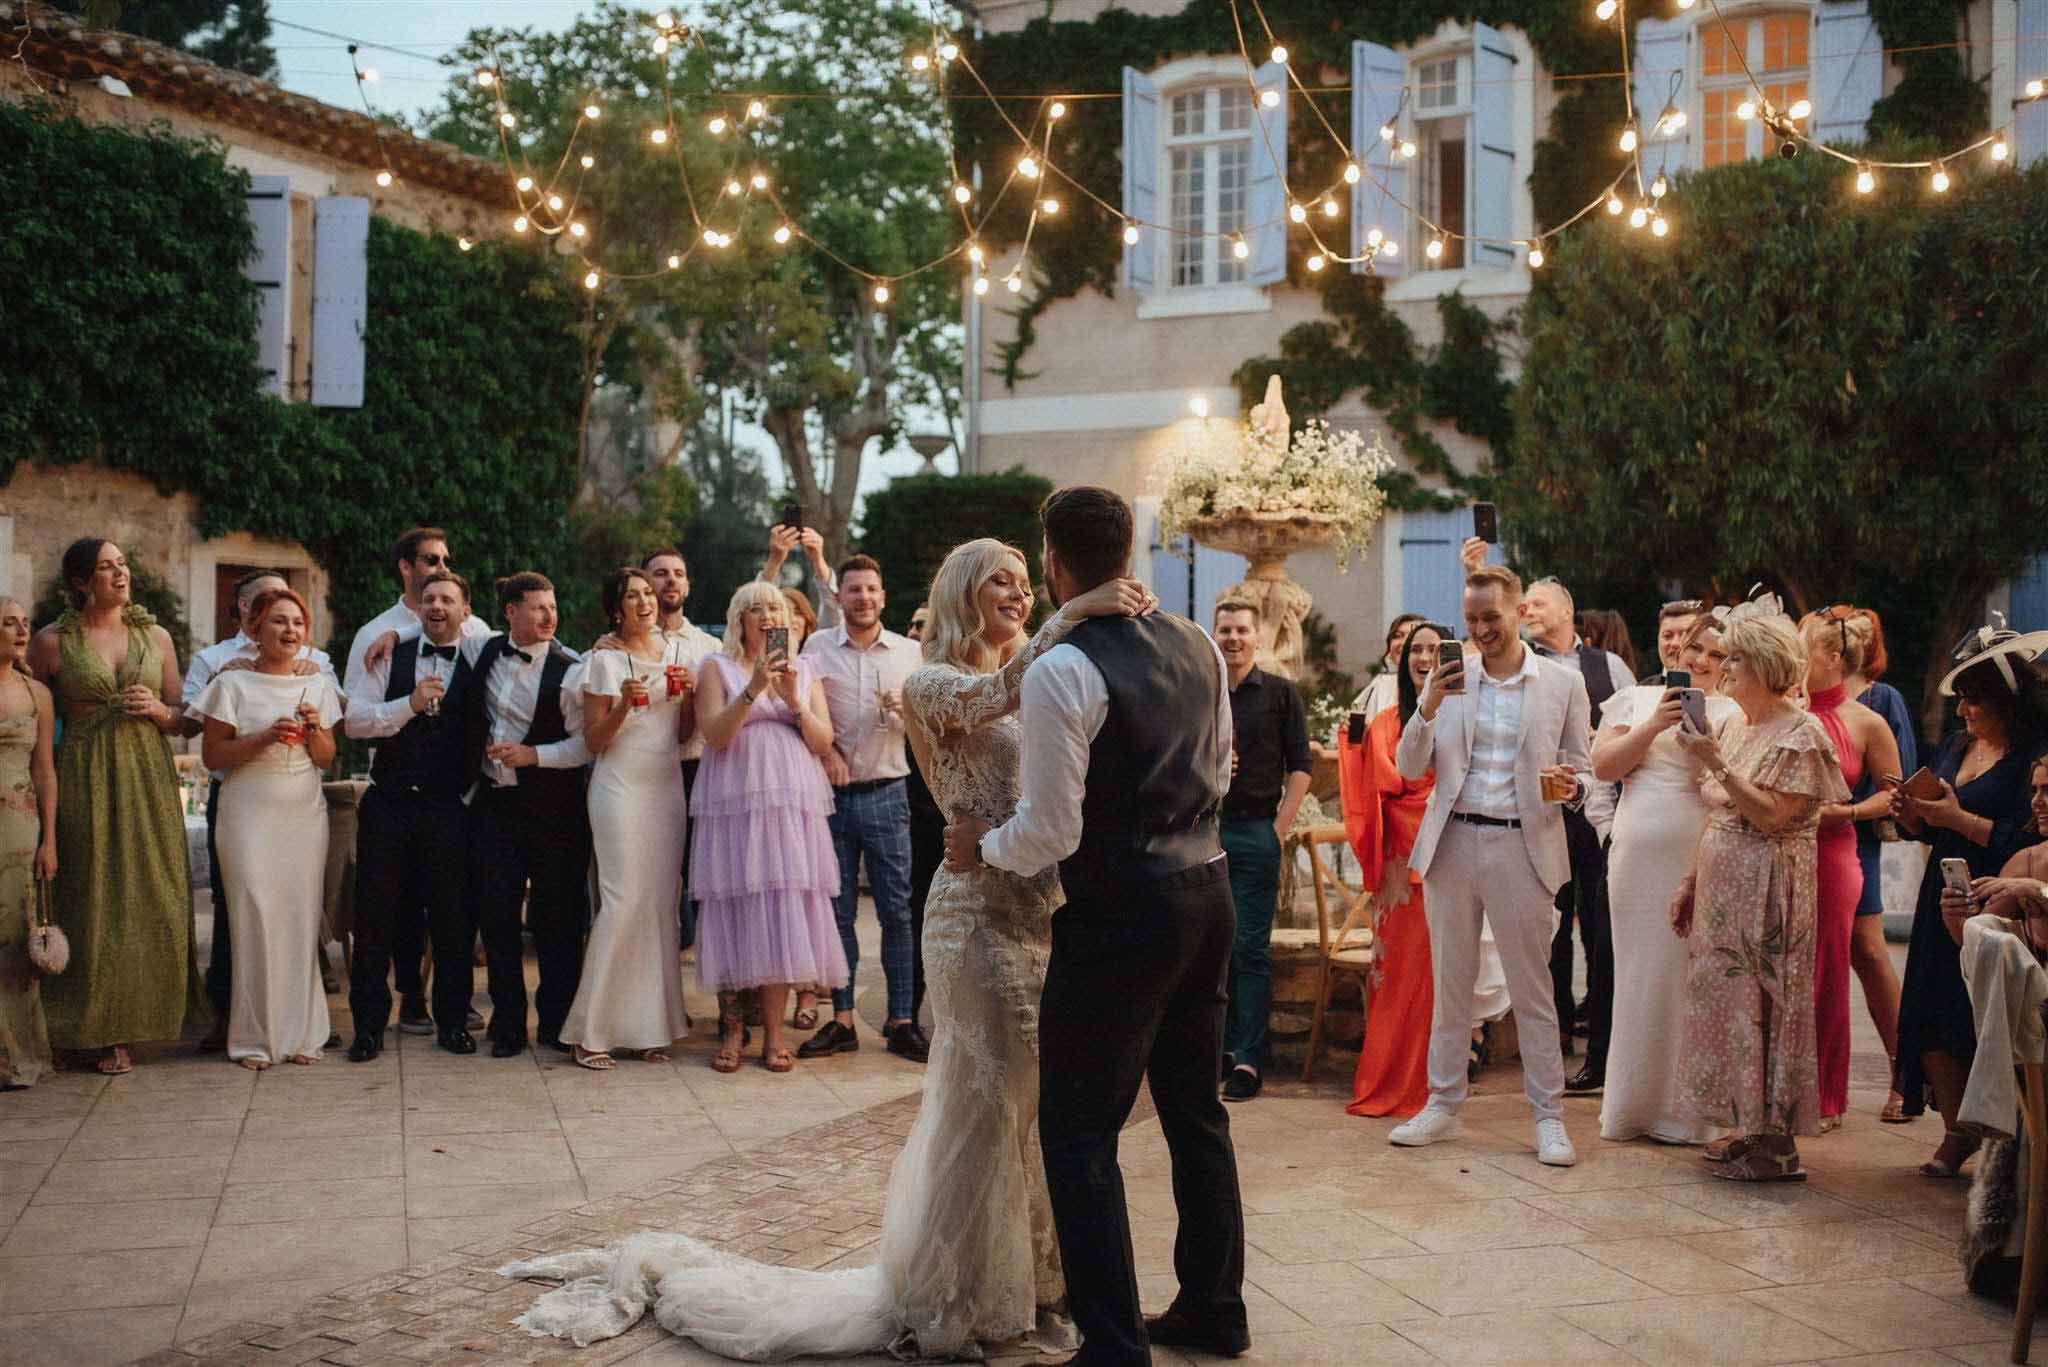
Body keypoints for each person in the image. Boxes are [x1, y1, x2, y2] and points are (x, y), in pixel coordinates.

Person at [498, 543, 1151, 1359]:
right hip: (975, 916)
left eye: (1028, 581)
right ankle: (959, 1288)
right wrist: (1081, 608)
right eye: (1001, 581)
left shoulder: (1043, 669)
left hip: (1040, 908)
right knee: (983, 1103)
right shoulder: (931, 679)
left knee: (1036, 1105)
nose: (1019, 593)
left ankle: (1039, 1279)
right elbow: (996, 692)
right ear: (959, 591)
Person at [946, 486, 1249, 1366]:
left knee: (1078, 1131)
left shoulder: (1062, 668)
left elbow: (1050, 833)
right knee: (1197, 1111)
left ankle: (1114, 1344)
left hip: (1123, 909)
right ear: (1130, 551)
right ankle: (1214, 1309)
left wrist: (980, 842)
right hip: (1209, 890)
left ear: (1052, 563)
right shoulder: (1197, 642)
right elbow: (1221, 764)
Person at [1392, 563, 1592, 1166]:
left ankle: (1549, 1116)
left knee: (1534, 990)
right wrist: (1426, 705)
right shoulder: (1450, 680)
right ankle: (1443, 1104)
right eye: (1472, 618)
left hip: (1523, 845)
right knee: (1451, 983)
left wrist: (1570, 786)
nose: (1480, 630)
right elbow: (1407, 767)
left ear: (1518, 615)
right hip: (1453, 842)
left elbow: (1583, 772)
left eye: (1492, 618)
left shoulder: (1562, 684)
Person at [1670, 599, 1850, 1182]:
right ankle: (1748, 1126)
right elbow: (1717, 817)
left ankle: (1778, 1145)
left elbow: (1774, 815)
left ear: (1768, 665)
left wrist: (1718, 766)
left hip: (1769, 894)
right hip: (1725, 892)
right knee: (1730, 1007)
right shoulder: (1731, 723)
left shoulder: (1802, 732)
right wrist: (1691, 880)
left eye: (1736, 659)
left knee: (1767, 1005)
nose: (1723, 669)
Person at [28, 538, 198, 1075]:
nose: (120, 574)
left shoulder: (158, 637)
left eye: (122, 564)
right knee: (90, 893)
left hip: (147, 775)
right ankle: (83, 1028)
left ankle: (136, 1022)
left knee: (151, 894)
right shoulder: (52, 643)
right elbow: (28, 719)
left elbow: (187, 718)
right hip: (82, 773)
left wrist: (160, 711)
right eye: (106, 567)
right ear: (81, 583)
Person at [1892, 626, 2047, 1177]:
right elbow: (1935, 829)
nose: (1963, 711)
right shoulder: (1958, 747)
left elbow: (2031, 836)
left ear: (2006, 699)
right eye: (1960, 700)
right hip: (1946, 888)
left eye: (1973, 699)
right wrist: (1912, 815)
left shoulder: (2036, 753)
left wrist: (1958, 819)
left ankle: (1995, 1138)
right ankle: (1958, 1131)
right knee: (1930, 1011)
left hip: (2006, 891)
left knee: (1980, 1015)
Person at [1592, 611, 1739, 1143]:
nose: (1697, 659)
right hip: (1635, 854)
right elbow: (1604, 767)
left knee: (1692, 978)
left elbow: (1720, 785)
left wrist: (1702, 742)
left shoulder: (1737, 712)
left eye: (1714, 654)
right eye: (1693, 647)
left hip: (1701, 852)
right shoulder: (1634, 699)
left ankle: (1689, 1112)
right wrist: (1655, 723)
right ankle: (1632, 1106)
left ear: (1731, 665)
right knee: (1637, 973)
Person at [692, 582, 846, 1074]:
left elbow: (823, 742)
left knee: (781, 910)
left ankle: (775, 1037)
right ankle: (734, 1028)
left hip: (790, 803)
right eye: (757, 607)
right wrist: (755, 688)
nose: (768, 614)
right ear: (739, 618)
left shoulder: (803, 670)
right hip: (734, 799)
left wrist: (792, 700)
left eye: (776, 607)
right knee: (735, 904)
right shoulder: (716, 667)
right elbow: (713, 734)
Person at [184, 568, 335, 1051]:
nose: (290, 631)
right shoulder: (231, 684)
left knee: (298, 919)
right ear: (254, 629)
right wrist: (264, 737)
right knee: (252, 918)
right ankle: (251, 1036)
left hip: (303, 814)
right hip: (247, 813)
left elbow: (328, 756)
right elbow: (213, 757)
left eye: (297, 623)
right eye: (278, 622)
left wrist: (314, 732)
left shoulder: (317, 685)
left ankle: (301, 1035)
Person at [347, 528, 490, 1036]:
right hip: (389, 800)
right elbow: (355, 722)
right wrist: (405, 705)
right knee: (376, 917)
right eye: (428, 598)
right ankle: (368, 1026)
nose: (436, 605)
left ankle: (453, 1022)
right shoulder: (384, 649)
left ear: (465, 610)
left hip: (449, 804)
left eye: (447, 599)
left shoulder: (480, 648)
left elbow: (531, 647)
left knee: (453, 918)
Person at [559, 568, 695, 1070]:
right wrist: (623, 706)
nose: (644, 601)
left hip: (665, 786)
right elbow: (594, 742)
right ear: (616, 608)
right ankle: (591, 1031)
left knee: (661, 903)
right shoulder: (603, 660)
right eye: (632, 595)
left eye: (647, 593)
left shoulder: (680, 655)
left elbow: (683, 734)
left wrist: (685, 699)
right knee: (621, 900)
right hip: (619, 784)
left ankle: (647, 1028)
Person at [797, 556, 928, 1064]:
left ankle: (901, 1021)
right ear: (841, 596)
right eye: (854, 590)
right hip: (829, 796)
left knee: (897, 912)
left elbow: (929, 732)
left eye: (871, 589)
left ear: (883, 595)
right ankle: (843, 1019)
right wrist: (825, 752)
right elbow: (800, 712)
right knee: (837, 913)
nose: (863, 598)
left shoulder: (910, 654)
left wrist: (906, 715)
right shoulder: (815, 648)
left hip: (889, 793)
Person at [458, 573, 593, 1057]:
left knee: (558, 919)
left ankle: (556, 1021)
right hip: (494, 807)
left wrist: (533, 756)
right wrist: (391, 634)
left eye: (552, 607)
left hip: (555, 810)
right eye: (536, 608)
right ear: (510, 612)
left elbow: (586, 745)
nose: (548, 616)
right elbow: (440, 621)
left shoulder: (573, 668)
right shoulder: (483, 651)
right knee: (496, 917)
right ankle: (508, 1023)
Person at [1799, 609, 1903, 1129]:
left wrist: (1847, 813)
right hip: (1778, 852)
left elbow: (1896, 795)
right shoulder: (1783, 712)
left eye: (1804, 653)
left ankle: (1827, 1095)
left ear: (1834, 659)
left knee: (1829, 973)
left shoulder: (1870, 720)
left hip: (1838, 852)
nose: (1795, 663)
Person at [1343, 621, 1446, 1119]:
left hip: (1456, 858)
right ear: (1402, 661)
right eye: (1414, 650)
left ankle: (1440, 1084)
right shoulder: (1387, 720)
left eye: (1433, 648)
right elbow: (1383, 786)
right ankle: (1393, 1082)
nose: (1423, 657)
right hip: (1404, 871)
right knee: (1400, 980)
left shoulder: (1466, 714)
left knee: (1447, 980)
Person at [1213, 598, 1311, 1103]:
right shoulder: (1201, 694)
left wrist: (1280, 826)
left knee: (1250, 948)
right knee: (1208, 949)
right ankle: (1221, 1048)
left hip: (1255, 834)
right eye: (1225, 629)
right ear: (1215, 634)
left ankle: (1248, 1058)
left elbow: (1301, 764)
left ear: (1257, 638)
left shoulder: (1279, 694)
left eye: (1241, 630)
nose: (1233, 638)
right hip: (1202, 834)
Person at [1837, 605, 1917, 1123]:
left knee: (1868, 950)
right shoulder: (1804, 696)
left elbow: (1899, 777)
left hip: (1858, 833)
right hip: (1806, 838)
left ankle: (1903, 1074)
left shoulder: (1882, 699)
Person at [0, 599, 56, 1091]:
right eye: (7, 623)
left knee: (16, 933)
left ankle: (18, 1056)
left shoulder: (36, 692)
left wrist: (50, 841)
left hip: (18, 826)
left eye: (24, 624)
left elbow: (44, 771)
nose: (20, 631)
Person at [903, 603, 940, 1024]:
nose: (918, 632)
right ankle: (906, 1014)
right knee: (911, 916)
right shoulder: (903, 677)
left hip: (952, 819)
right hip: (909, 814)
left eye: (926, 625)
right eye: (914, 624)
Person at [1348, 612, 1427, 733]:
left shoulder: (1438, 688)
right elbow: (1358, 741)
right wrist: (1325, 752)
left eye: (1411, 635)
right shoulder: (1380, 685)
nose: (1403, 642)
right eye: (1397, 636)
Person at [761, 521, 842, 631]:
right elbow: (757, 601)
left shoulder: (818, 643)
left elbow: (832, 608)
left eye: (798, 612)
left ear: (807, 620)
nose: (790, 619)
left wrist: (818, 560)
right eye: (783, 611)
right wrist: (775, 560)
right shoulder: (768, 645)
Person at [1644, 600, 1704, 687]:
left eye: (1684, 635)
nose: (1675, 643)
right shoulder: (1640, 693)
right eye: (1667, 636)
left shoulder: (1724, 693)